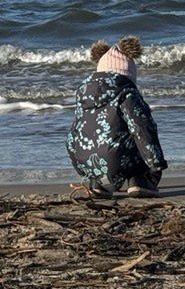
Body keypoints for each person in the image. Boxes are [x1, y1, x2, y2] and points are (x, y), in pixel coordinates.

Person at [66, 36, 167, 197]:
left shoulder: (83, 94)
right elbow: (142, 128)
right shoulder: (127, 92)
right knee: (138, 128)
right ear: (128, 74)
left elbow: (73, 135)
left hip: (87, 164)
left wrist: (82, 168)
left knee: (89, 133)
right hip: (117, 160)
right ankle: (140, 180)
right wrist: (156, 165)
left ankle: (98, 183)